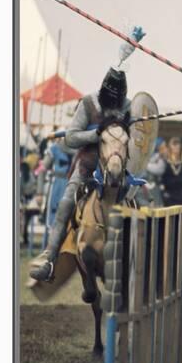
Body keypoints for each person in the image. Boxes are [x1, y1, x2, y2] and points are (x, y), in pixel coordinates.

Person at [30, 66, 131, 281]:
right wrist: (95, 135)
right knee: (66, 203)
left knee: (142, 202)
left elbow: (138, 139)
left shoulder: (129, 107)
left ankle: (145, 259)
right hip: (87, 167)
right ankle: (49, 259)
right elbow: (71, 137)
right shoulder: (87, 104)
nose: (115, 106)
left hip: (119, 171)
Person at [36, 138, 76, 228]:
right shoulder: (54, 149)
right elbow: (42, 170)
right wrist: (39, 192)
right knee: (54, 220)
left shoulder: (80, 150)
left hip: (73, 185)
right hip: (57, 186)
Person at [162, 137, 182, 206]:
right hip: (168, 200)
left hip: (181, 199)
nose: (175, 151)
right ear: (170, 150)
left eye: (177, 148)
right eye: (173, 148)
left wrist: (175, 181)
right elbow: (165, 182)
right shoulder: (166, 165)